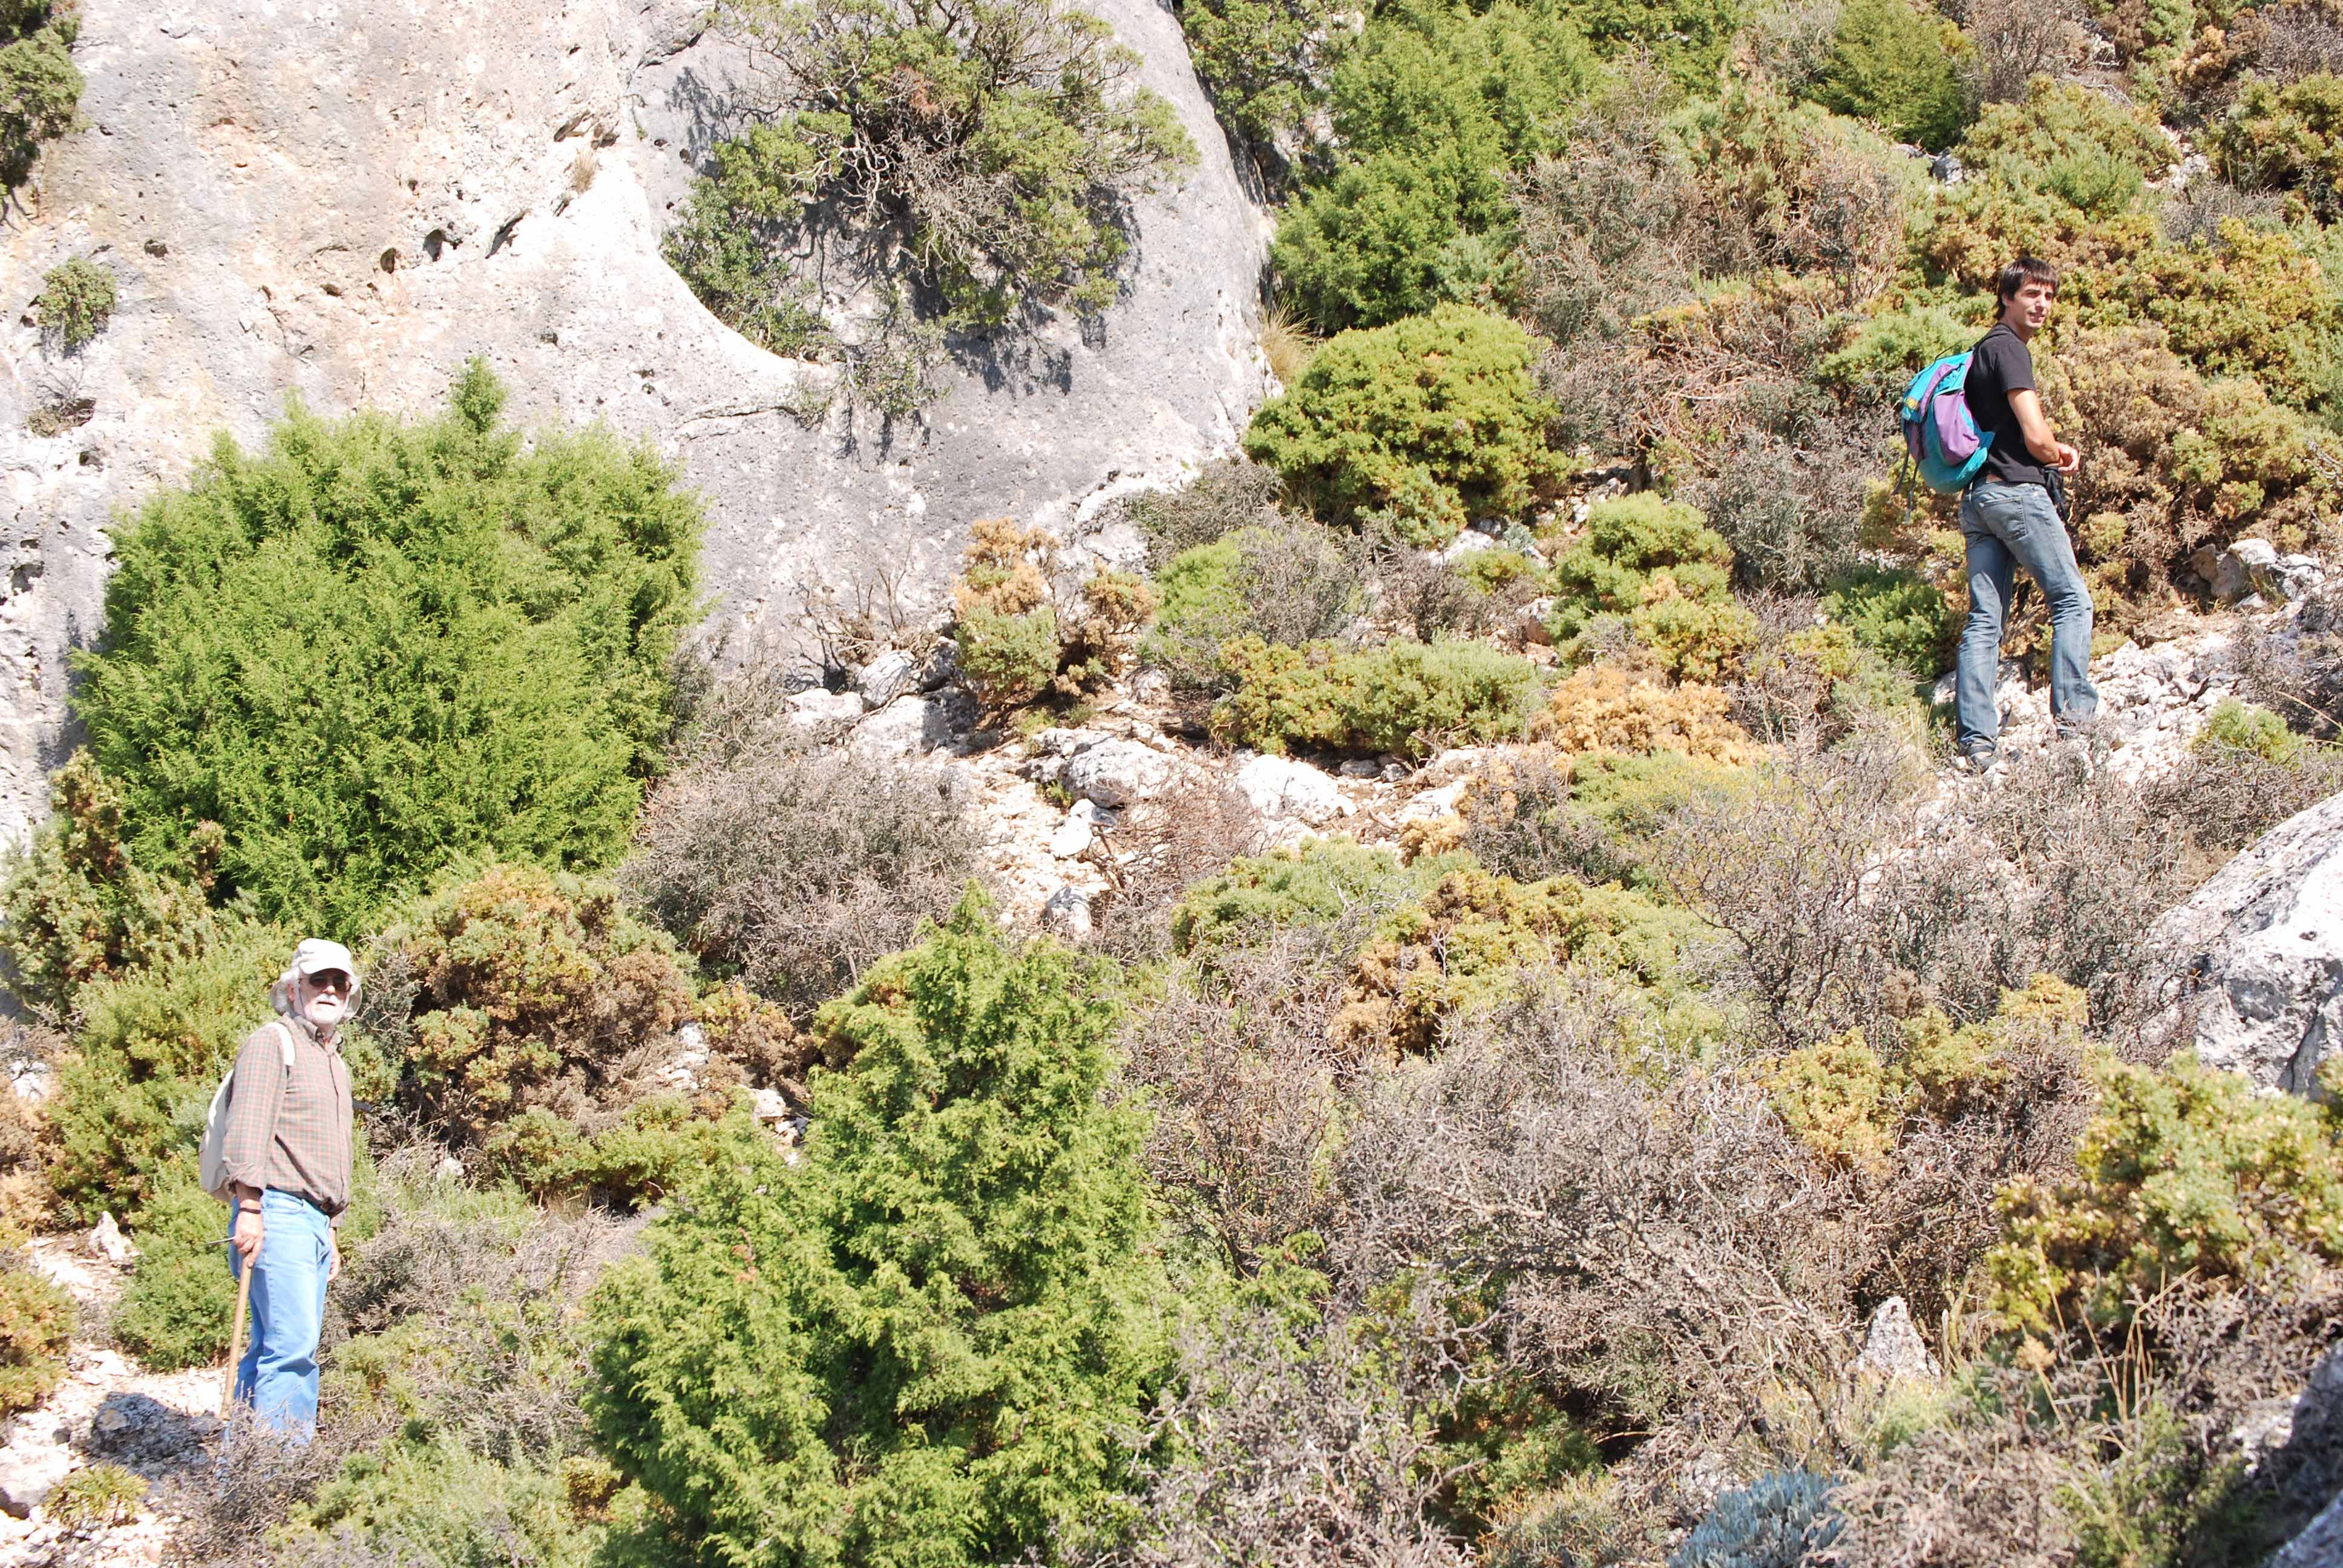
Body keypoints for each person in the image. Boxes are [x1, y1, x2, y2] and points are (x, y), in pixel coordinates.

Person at [1955, 255, 2100, 771]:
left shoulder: (1981, 352)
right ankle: (2077, 730)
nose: (2042, 305)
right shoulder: (2011, 351)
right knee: (2073, 602)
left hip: (1977, 500)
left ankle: (1976, 744)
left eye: (2049, 296)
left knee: (1984, 622)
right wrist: (2060, 452)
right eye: (2031, 295)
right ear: (2007, 298)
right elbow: (2036, 436)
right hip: (2016, 495)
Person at [221, 938, 358, 1442]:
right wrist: (250, 1208)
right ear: (293, 987)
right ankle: (279, 1480)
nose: (329, 990)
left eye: (339, 983)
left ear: (349, 996)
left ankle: (243, 1483)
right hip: (276, 1213)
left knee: (272, 1349)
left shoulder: (332, 1062)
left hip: (314, 1225)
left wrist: (332, 1230)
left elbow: (324, 1154)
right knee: (292, 1351)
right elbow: (248, 1128)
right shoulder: (272, 1042)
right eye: (318, 980)